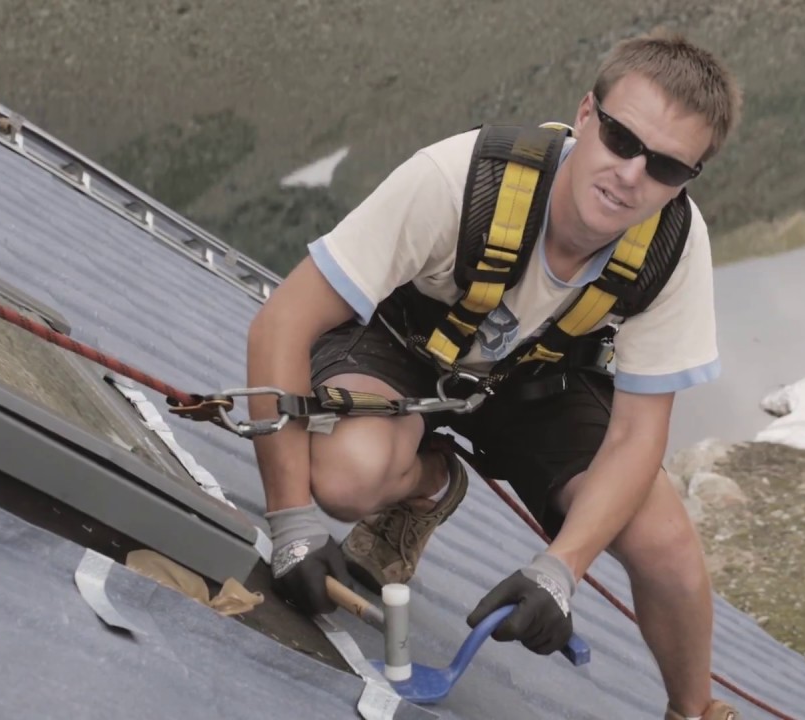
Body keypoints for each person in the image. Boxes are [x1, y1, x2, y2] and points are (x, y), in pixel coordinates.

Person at [245, 28, 742, 720]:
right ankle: (429, 482)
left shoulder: (673, 245)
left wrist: (561, 570)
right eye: (621, 139)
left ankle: (694, 711)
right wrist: (291, 524)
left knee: (667, 548)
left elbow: (638, 436)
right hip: (404, 346)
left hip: (536, 380)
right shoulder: (457, 180)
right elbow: (282, 324)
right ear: (586, 115)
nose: (632, 175)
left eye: (665, 167)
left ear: (688, 177)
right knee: (347, 477)